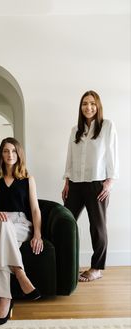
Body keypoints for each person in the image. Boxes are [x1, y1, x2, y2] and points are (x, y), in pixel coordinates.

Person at [0, 137, 43, 326]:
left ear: (19, 154)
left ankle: (4, 301)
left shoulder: (28, 179)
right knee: (2, 225)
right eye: (6, 151)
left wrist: (37, 234)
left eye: (13, 151)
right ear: (1, 154)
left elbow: (35, 209)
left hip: (21, 225)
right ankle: (19, 272)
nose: (10, 155)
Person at [62, 90, 119, 282]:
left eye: (92, 103)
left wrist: (110, 181)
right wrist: (67, 180)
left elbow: (113, 155)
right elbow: (70, 156)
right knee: (66, 222)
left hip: (97, 184)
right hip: (76, 184)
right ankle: (66, 264)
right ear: (81, 107)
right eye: (85, 103)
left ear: (98, 106)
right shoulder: (74, 131)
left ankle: (96, 268)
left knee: (97, 227)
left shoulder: (107, 126)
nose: (88, 107)